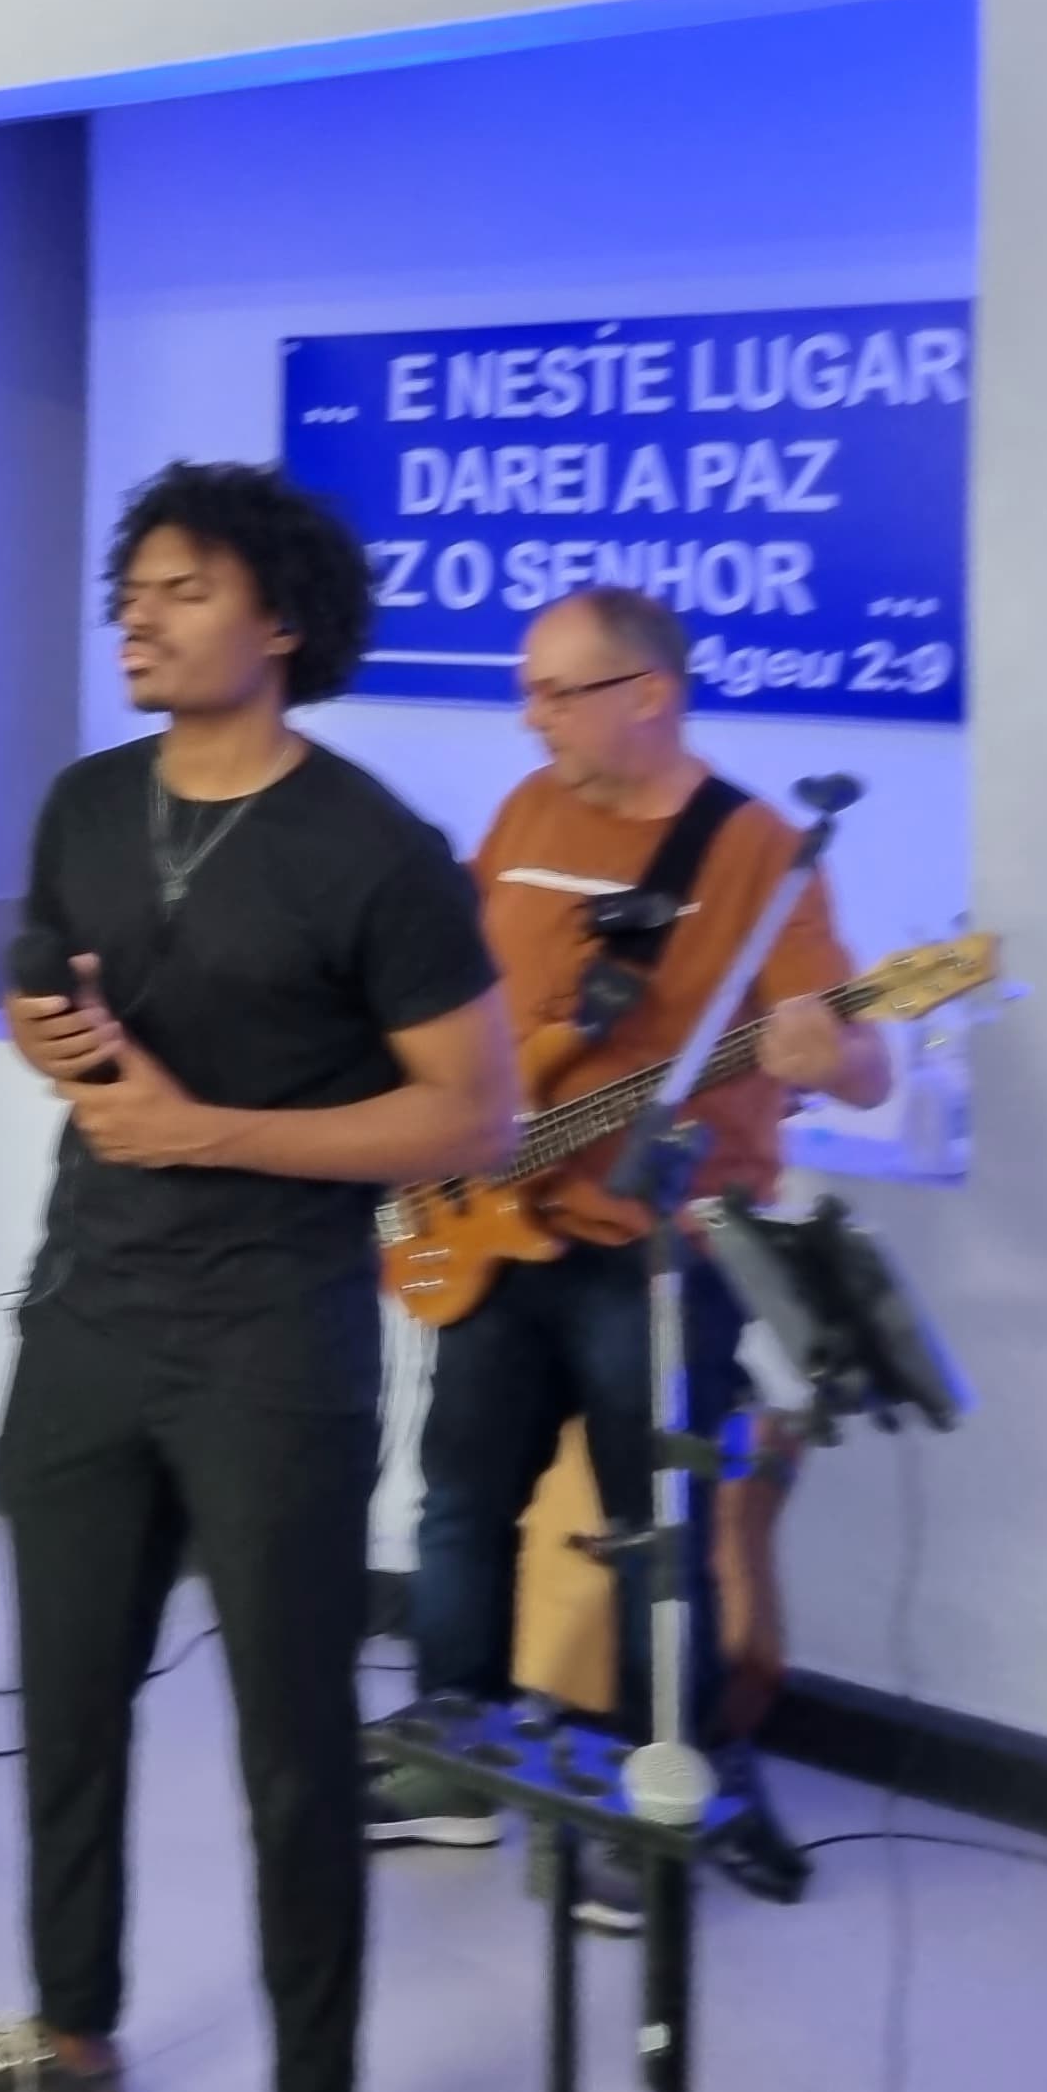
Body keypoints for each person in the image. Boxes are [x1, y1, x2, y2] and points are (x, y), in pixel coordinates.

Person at [0, 465, 518, 2092]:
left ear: (281, 621)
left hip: (273, 1345)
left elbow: (475, 1114)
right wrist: (56, 1046)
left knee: (294, 1750)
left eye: (184, 589)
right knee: (68, 1707)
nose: (139, 617)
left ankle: (316, 2088)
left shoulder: (375, 849)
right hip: (86, 1312)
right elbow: (44, 1006)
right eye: (133, 589)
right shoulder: (88, 803)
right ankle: (70, 2034)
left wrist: (203, 1127)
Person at [367, 585, 883, 1923]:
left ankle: (644, 1804)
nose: (529, 718)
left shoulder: (759, 852)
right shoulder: (527, 814)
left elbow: (864, 1062)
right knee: (459, 1505)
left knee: (657, 1541)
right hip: (492, 1225)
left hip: (658, 1254)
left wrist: (835, 1056)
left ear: (648, 694)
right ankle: (453, 1762)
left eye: (555, 692)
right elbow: (480, 1007)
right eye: (528, 691)